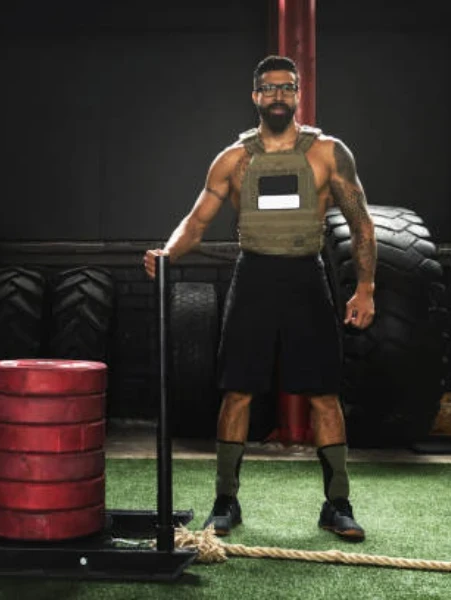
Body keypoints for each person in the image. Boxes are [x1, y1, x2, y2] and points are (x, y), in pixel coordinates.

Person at [144, 55, 376, 542]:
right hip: (254, 277)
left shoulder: (329, 153)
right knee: (237, 391)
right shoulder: (233, 159)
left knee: (324, 394)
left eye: (286, 88)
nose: (277, 96)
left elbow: (361, 224)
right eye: (268, 89)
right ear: (255, 97)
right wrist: (167, 253)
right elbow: (198, 219)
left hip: (306, 277)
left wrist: (365, 287)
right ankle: (225, 501)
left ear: (298, 95)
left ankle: (338, 504)